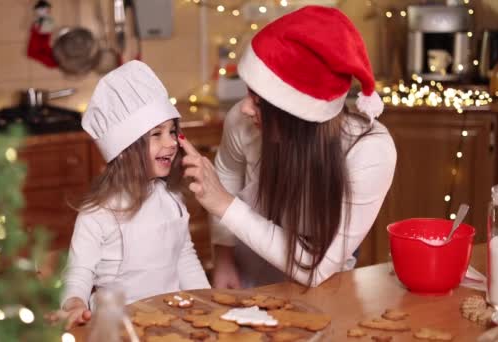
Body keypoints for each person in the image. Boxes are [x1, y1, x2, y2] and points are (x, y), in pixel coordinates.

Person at [179, 6, 397, 289]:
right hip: (249, 274)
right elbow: (228, 177)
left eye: (259, 102)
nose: (244, 109)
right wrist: (224, 258)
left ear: (297, 115)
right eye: (249, 94)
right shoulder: (244, 122)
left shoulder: (368, 154)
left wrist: (223, 204)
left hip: (322, 287)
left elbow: (316, 269)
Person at [55, 61, 210, 329]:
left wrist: (207, 302)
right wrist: (74, 303)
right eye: (157, 134)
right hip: (118, 327)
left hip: (175, 323)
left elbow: (184, 257)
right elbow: (79, 271)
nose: (172, 142)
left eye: (172, 131)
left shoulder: (171, 199)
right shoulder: (99, 212)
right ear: (125, 148)